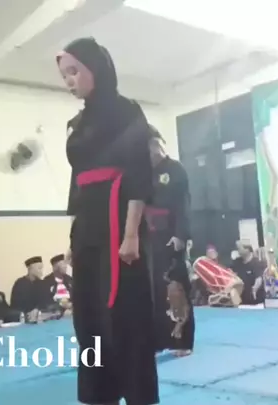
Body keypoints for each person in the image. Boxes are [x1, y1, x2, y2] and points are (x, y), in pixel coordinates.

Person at [58, 37, 158, 405]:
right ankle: (99, 396)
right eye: (64, 75)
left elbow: (138, 171)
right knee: (88, 316)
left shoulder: (126, 111)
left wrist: (131, 233)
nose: (69, 80)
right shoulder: (76, 122)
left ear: (95, 69)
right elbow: (77, 180)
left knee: (124, 315)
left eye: (74, 71)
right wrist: (74, 238)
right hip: (87, 223)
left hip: (119, 216)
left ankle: (138, 396)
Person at [145, 128, 194, 356]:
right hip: (149, 238)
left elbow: (183, 205)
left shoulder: (175, 170)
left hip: (171, 236)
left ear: (156, 145)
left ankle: (183, 341)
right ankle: (157, 340)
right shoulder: (143, 173)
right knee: (154, 291)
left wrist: (180, 235)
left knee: (177, 289)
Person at [11, 256, 52, 322]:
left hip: (40, 317)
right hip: (25, 319)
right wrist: (28, 314)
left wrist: (37, 310)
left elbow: (46, 302)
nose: (41, 271)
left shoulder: (43, 283)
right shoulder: (20, 284)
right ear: (30, 269)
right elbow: (15, 305)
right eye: (39, 268)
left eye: (42, 268)